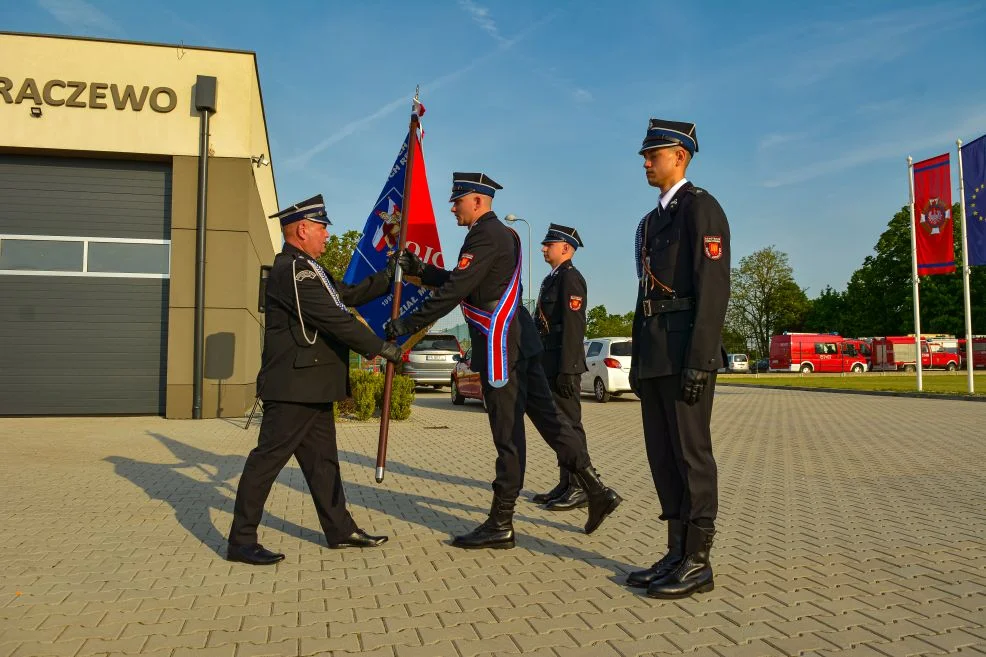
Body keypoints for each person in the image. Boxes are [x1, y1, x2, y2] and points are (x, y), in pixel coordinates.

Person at [386, 173, 621, 549]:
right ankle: (596, 489)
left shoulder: (484, 235)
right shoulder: (500, 235)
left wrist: (404, 325)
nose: (452, 207)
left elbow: (456, 290)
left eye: (457, 200)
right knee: (552, 423)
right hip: (521, 341)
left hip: (501, 346)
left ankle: (501, 522)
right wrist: (420, 269)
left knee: (508, 434)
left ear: (477, 200)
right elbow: (465, 280)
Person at [227, 194, 404, 566]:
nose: (326, 235)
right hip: (293, 389)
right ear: (302, 229)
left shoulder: (310, 269)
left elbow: (346, 296)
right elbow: (334, 319)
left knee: (323, 464)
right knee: (266, 464)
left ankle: (340, 530)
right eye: (323, 228)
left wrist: (389, 275)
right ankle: (241, 541)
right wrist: (380, 348)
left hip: (311, 387)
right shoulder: (293, 271)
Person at [625, 119, 730, 598]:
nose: (646, 162)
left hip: (686, 352)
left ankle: (699, 561)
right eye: (645, 155)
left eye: (654, 154)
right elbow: (644, 294)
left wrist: (701, 360)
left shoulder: (700, 209)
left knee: (692, 455)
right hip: (655, 354)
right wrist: (637, 360)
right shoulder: (650, 222)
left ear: (680, 157)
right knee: (662, 456)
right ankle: (675, 551)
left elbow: (712, 289)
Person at [530, 224, 590, 511]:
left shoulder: (571, 279)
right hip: (548, 362)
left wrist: (569, 367)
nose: (543, 248)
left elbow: (574, 327)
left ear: (565, 248)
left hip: (563, 365)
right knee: (558, 425)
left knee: (570, 425)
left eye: (549, 244)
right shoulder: (550, 280)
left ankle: (581, 486)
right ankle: (566, 481)